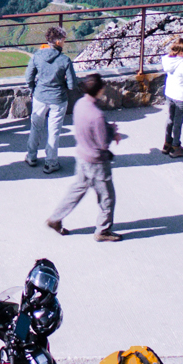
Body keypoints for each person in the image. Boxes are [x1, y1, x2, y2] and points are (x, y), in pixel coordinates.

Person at [45, 74, 122, 241]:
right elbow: (103, 143)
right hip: (97, 162)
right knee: (107, 198)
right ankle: (103, 230)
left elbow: (89, 127)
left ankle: (56, 218)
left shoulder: (80, 104)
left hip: (82, 156)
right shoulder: (97, 115)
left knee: (77, 189)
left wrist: (106, 128)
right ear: (100, 90)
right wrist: (113, 133)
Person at [22, 26, 78, 171]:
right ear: (58, 41)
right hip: (58, 99)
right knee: (54, 131)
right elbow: (72, 85)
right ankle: (51, 163)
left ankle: (31, 156)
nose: (64, 42)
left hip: (40, 96)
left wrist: (34, 89)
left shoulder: (37, 55)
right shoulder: (65, 60)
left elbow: (28, 77)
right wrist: (62, 86)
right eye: (64, 39)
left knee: (36, 127)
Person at [157, 36, 183, 158]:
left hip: (170, 93)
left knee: (170, 119)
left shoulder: (169, 60)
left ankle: (167, 143)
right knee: (178, 122)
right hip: (180, 96)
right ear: (182, 51)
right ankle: (176, 147)